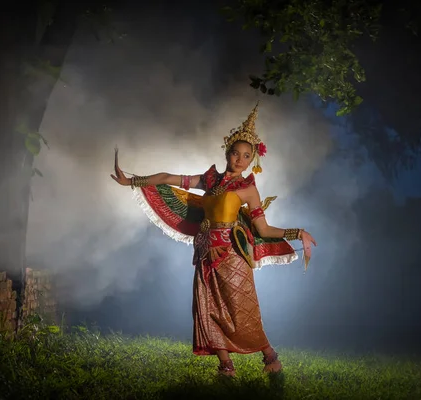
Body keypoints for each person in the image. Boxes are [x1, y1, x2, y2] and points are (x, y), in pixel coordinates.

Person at [111, 102, 317, 377]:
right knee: (206, 308)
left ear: (252, 160)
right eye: (235, 153)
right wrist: (134, 181)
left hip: (232, 255)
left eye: (246, 156)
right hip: (206, 252)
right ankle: (225, 366)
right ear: (227, 153)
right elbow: (169, 178)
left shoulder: (247, 189)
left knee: (241, 309)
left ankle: (269, 356)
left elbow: (264, 230)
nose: (239, 160)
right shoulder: (209, 180)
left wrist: (297, 232)